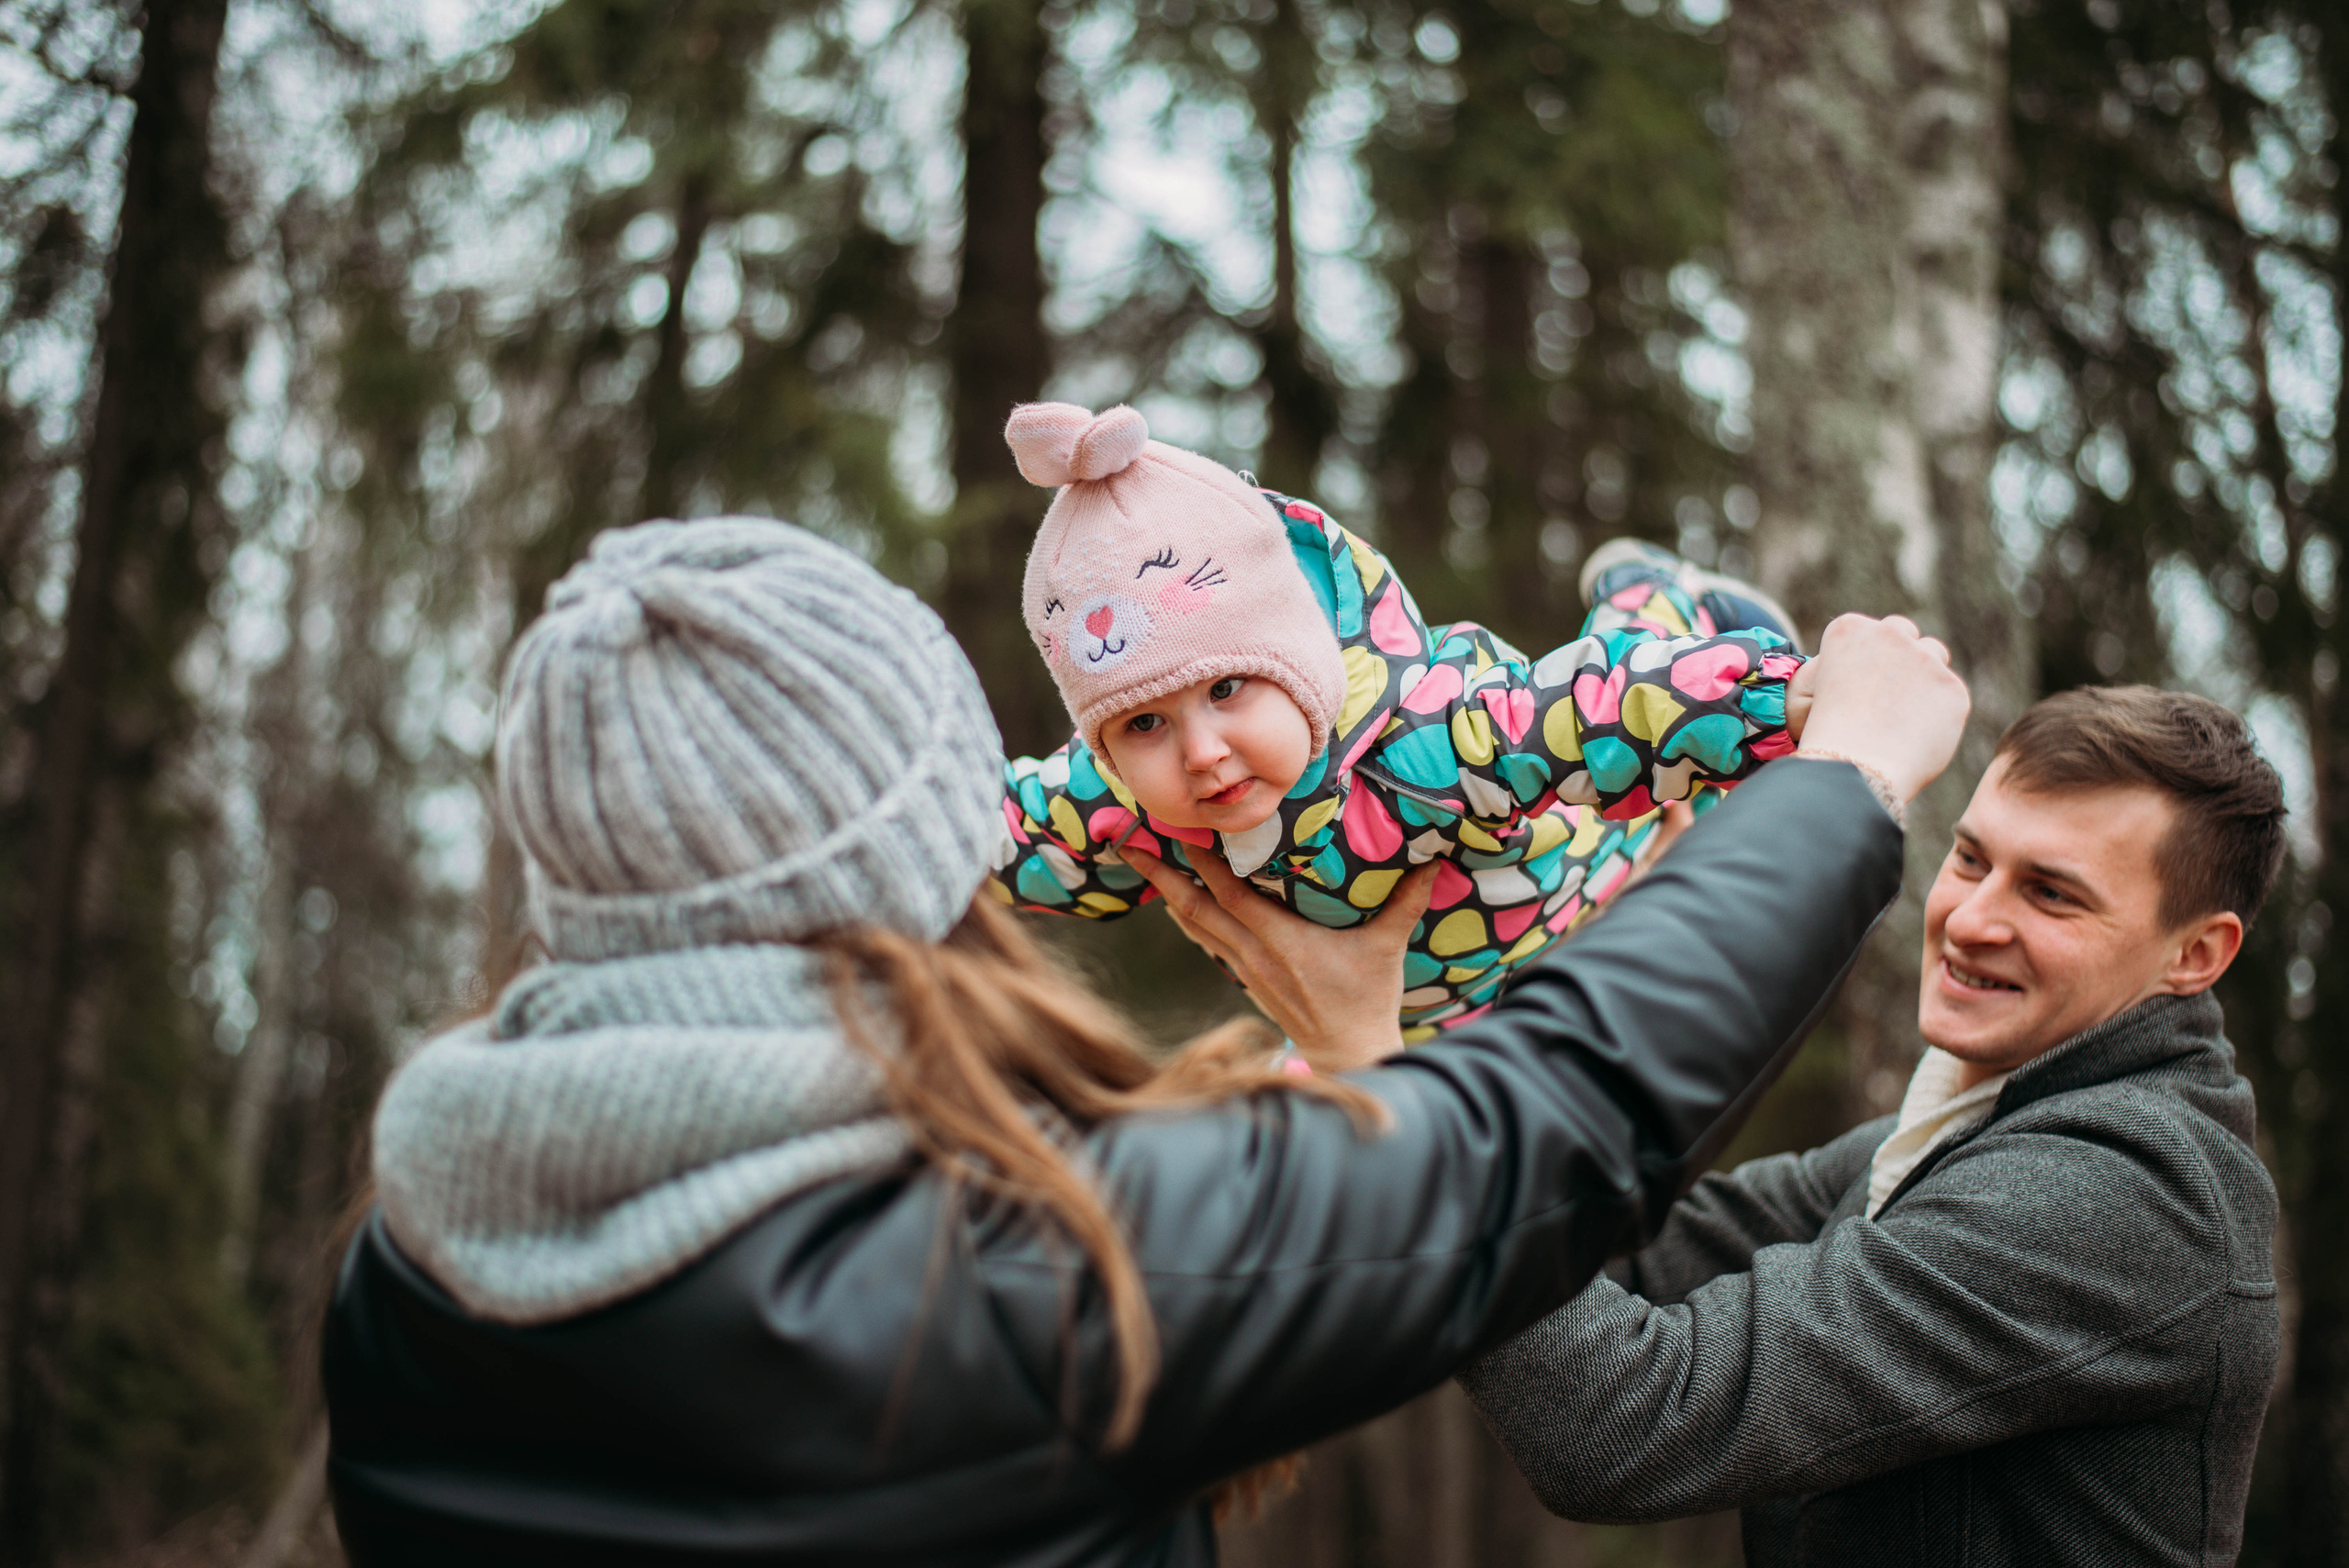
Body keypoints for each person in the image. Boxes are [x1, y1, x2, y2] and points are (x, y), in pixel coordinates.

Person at [322, 517, 1965, 1565]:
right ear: (913, 851)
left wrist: (1312, 1084)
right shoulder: (1026, 1272)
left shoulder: (406, 1273)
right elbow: (1534, 1132)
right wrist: (1840, 785)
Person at [1459, 686, 2286, 1566]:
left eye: (2051, 893)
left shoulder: (2126, 1194)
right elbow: (1627, 1249)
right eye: (1971, 859)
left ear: (2195, 954)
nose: (1967, 920)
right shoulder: (1946, 1138)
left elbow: (1623, 1421)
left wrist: (1373, 1076)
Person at [991, 402, 1831, 1041]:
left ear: (1302, 658)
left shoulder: (1432, 736)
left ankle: (1661, 593)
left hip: (1577, 895)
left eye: (1226, 691)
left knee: (1629, 663)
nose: (1203, 753)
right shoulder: (1114, 801)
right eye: (1142, 724)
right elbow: (999, 836)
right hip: (1423, 1028)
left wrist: (1780, 697)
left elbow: (1595, 712)